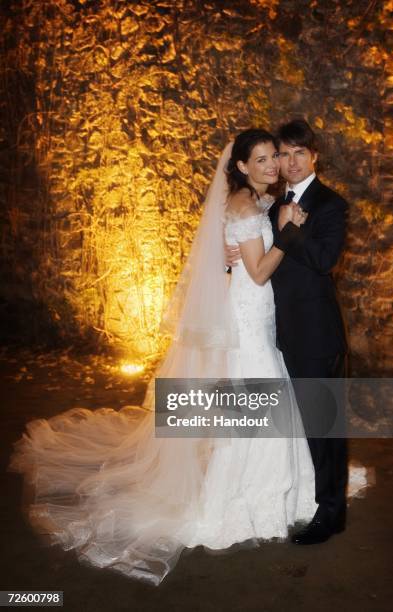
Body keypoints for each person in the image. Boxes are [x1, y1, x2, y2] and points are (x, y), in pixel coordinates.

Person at [9, 129, 318, 586]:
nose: (272, 164)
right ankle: (240, 499)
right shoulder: (245, 204)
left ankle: (278, 492)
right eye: (262, 159)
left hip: (254, 311)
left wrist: (261, 233)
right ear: (240, 166)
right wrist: (288, 231)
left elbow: (229, 254)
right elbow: (257, 272)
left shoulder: (250, 201)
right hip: (251, 308)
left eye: (274, 156)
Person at [227, 119, 349, 545]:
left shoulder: (331, 204)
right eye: (283, 153)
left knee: (323, 425)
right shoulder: (271, 199)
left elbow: (322, 260)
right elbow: (251, 249)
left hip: (313, 333)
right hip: (274, 330)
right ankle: (301, 492)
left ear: (313, 156)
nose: (289, 162)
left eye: (299, 153)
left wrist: (288, 230)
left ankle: (332, 512)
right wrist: (233, 255)